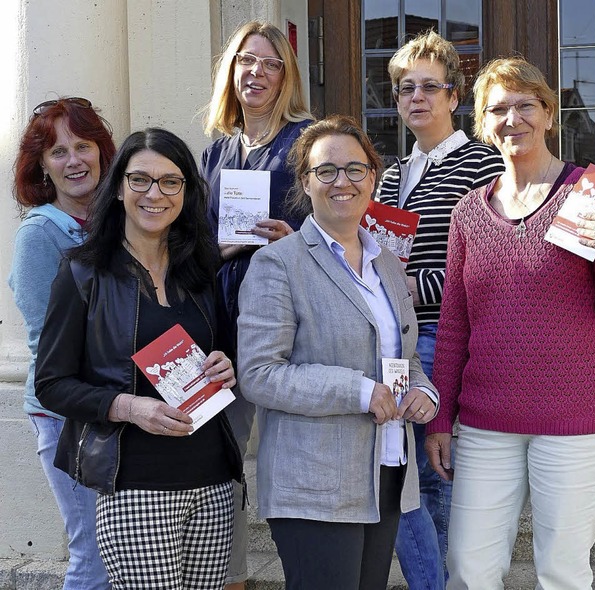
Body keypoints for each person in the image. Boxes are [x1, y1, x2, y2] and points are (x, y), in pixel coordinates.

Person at [426, 56, 595, 590]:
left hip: (575, 420)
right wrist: (438, 422)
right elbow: (453, 327)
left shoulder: (587, 195)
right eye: (498, 109)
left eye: (526, 105)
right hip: (485, 423)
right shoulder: (469, 213)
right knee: (470, 569)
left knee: (562, 572)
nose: (513, 118)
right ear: (482, 122)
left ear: (548, 113)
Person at [35, 128, 243, 590]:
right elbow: (50, 383)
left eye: (171, 182)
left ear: (186, 192)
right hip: (134, 485)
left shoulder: (200, 268)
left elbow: (226, 351)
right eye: (141, 180)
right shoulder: (83, 273)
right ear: (118, 189)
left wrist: (228, 365)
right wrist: (128, 407)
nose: (155, 194)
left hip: (211, 482)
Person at [237, 115, 439, 590]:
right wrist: (359, 390)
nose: (341, 181)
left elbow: (402, 355)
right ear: (306, 182)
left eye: (355, 169)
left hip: (386, 474)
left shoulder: (386, 263)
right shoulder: (278, 263)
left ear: (373, 177)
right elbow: (260, 374)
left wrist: (423, 391)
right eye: (325, 171)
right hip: (315, 485)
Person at [377, 30, 504, 588]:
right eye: (407, 88)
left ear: (455, 97)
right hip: (389, 341)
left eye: (431, 87)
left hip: (439, 337)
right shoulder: (385, 174)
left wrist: (413, 283)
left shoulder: (482, 164)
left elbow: (490, 264)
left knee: (434, 473)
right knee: (395, 476)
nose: (417, 98)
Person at [200, 20, 314, 590]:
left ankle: (311, 572)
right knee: (224, 464)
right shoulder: (216, 151)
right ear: (232, 71)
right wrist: (222, 246)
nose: (257, 72)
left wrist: (293, 240)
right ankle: (233, 576)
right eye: (247, 61)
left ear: (286, 74)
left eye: (270, 63)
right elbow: (191, 241)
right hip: (225, 324)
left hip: (294, 320)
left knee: (292, 460)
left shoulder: (308, 140)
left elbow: (342, 222)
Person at [8, 96, 116, 590]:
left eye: (83, 145)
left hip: (114, 405)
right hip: (67, 415)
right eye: (57, 152)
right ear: (42, 168)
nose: (74, 160)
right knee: (92, 556)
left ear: (101, 151)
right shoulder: (40, 235)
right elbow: (43, 337)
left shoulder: (117, 221)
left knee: (119, 552)